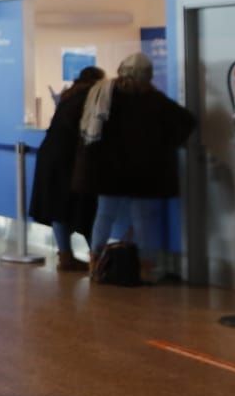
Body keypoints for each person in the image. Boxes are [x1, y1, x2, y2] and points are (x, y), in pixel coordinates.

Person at [79, 53, 196, 267]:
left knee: (105, 215)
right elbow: (186, 121)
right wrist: (168, 144)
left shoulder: (104, 95)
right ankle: (146, 266)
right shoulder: (154, 99)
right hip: (146, 171)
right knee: (145, 220)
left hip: (110, 170)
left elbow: (91, 131)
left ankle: (95, 262)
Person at [29, 66, 106, 272]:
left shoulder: (69, 96)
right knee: (85, 208)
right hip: (69, 160)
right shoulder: (91, 98)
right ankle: (97, 260)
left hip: (50, 157)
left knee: (58, 209)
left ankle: (66, 256)